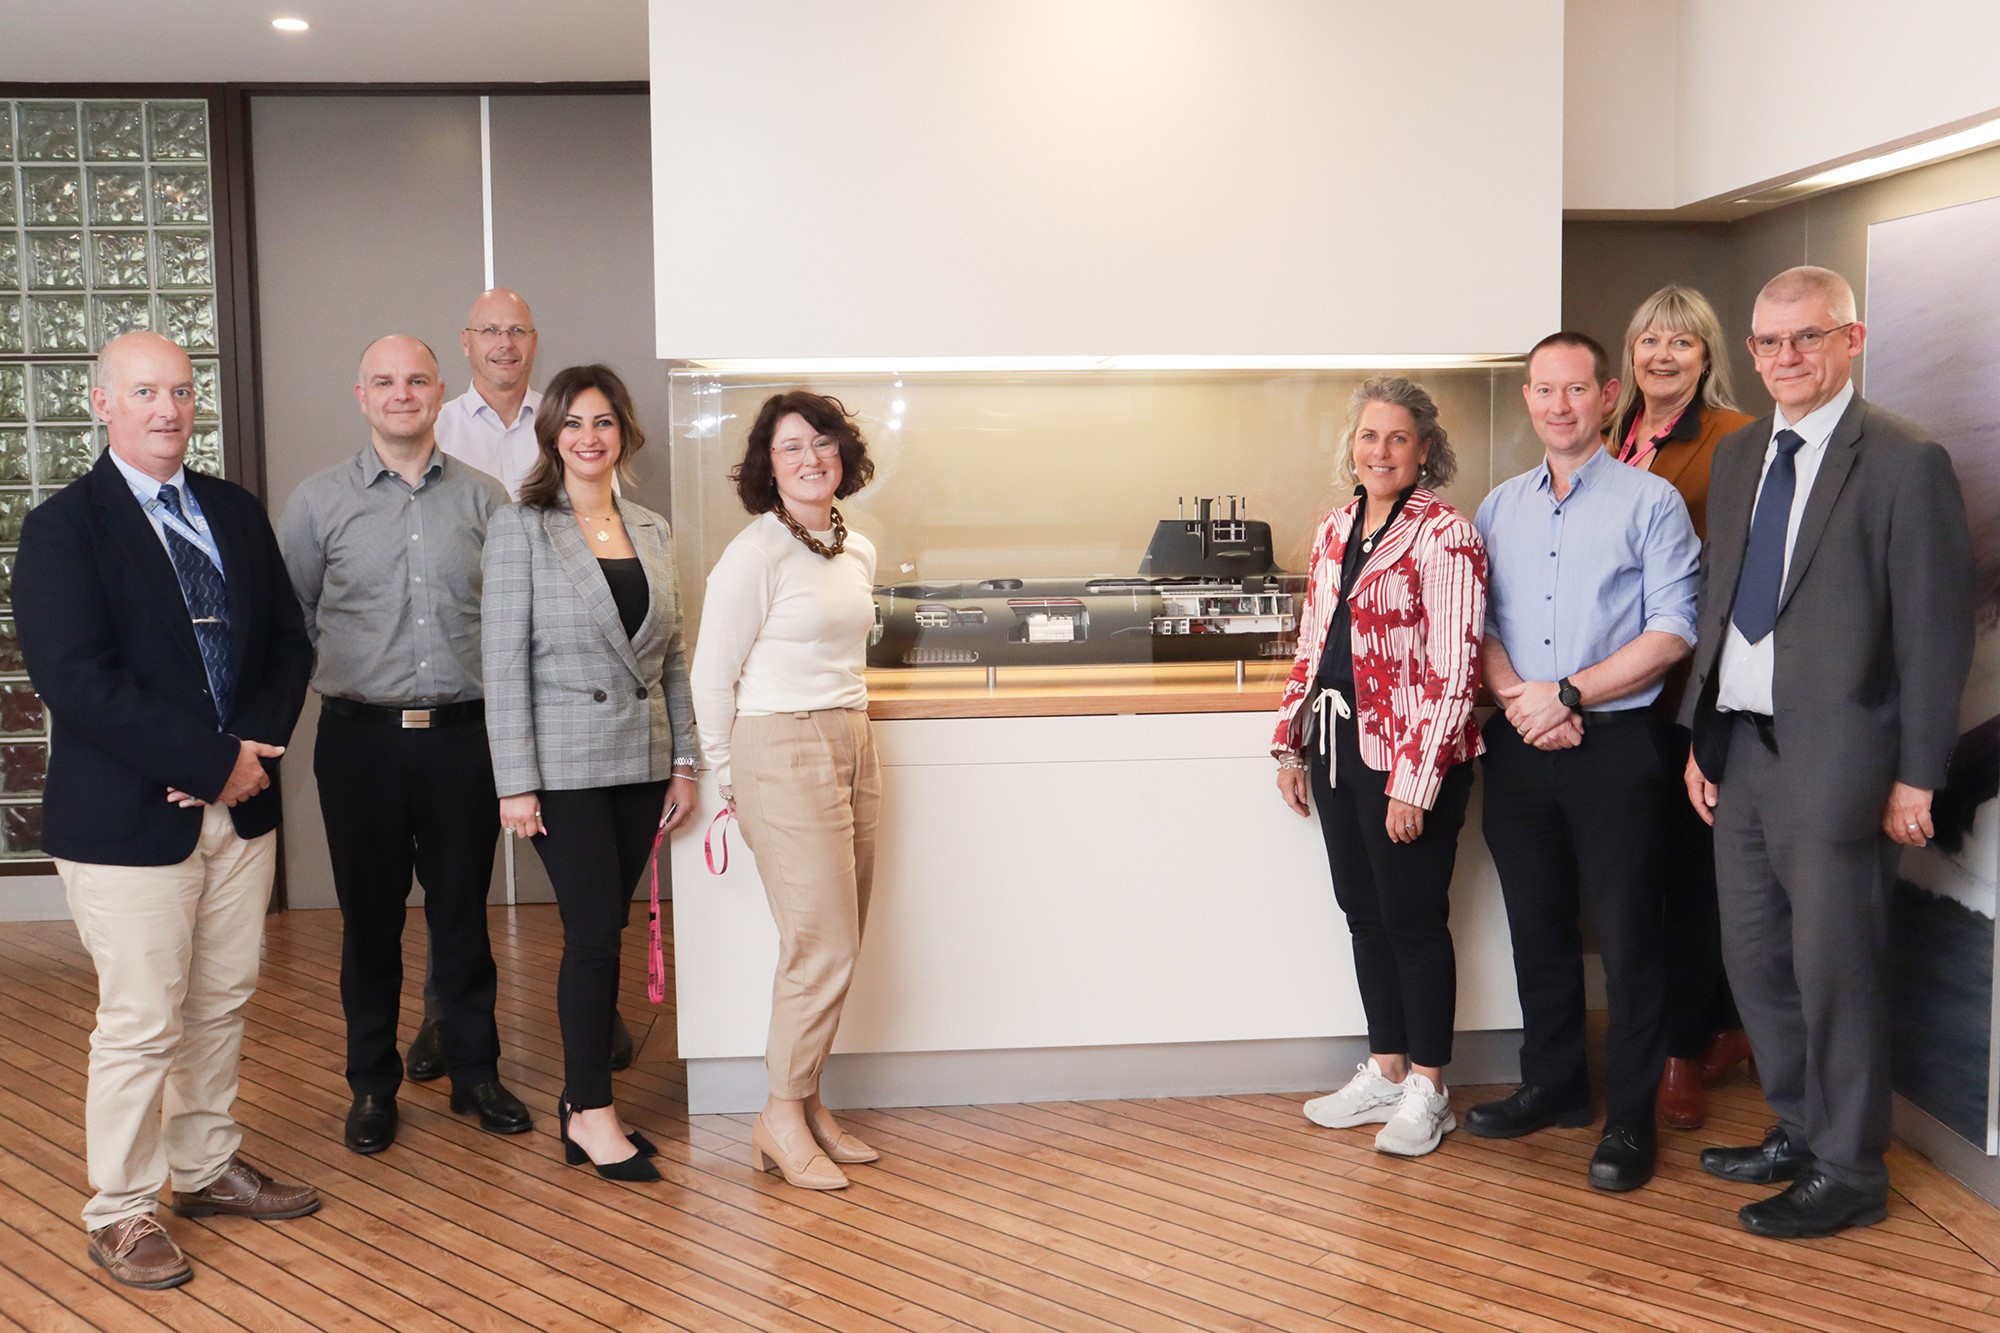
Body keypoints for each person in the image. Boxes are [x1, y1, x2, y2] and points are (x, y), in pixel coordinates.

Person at [13, 331, 318, 1289]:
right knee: (143, 1018)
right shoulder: (64, 528)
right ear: (103, 404)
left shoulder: (230, 508)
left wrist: (248, 754)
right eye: (145, 392)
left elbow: (287, 643)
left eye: (181, 392)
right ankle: (120, 1206)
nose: (167, 409)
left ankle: (204, 1166)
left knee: (220, 1002)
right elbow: (76, 681)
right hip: (126, 821)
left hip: (240, 807)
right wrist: (207, 759)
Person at [1684, 266, 1975, 1239]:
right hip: (1743, 755)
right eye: (1766, 341)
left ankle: (1849, 1170)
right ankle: (1801, 1129)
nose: (1783, 358)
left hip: (1840, 763)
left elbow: (1936, 635)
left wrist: (1918, 774)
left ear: (1849, 340)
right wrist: (1703, 732)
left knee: (1834, 973)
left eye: (1804, 338)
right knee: (1754, 963)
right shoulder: (1738, 459)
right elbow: (1721, 605)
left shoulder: (1901, 460)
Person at [278, 335, 530, 1156]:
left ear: (439, 390)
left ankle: (474, 1072)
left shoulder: (487, 500)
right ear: (361, 395)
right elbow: (294, 623)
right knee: (369, 924)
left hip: (464, 739)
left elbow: (513, 624)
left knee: (462, 917)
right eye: (384, 381)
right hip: (361, 744)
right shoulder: (318, 503)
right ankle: (372, 1086)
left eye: (416, 379)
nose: (401, 393)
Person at [1467, 332, 1700, 1193]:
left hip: (1617, 748)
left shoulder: (1651, 501)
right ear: (1528, 398)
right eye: (1542, 390)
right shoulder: (1498, 506)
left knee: (1633, 936)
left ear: (1606, 397)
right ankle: (1555, 1085)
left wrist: (1567, 694)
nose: (1558, 406)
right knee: (1537, 928)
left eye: (1575, 391)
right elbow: (1480, 624)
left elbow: (1674, 629)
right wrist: (1527, 701)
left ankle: (1630, 1120)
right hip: (1524, 743)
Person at [482, 364, 697, 1182]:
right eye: (573, 422)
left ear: (623, 433)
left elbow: (673, 655)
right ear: (552, 436)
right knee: (593, 932)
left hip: (641, 762)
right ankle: (590, 1107)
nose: (588, 437)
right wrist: (514, 781)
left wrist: (684, 759)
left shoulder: (652, 527)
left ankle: (586, 1103)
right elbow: (502, 664)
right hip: (563, 766)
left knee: (603, 927)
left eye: (603, 421)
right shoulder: (522, 527)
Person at [1271, 377, 1486, 1158]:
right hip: (1334, 746)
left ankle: (1430, 1086)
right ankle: (1388, 1068)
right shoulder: (1335, 529)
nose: (1381, 451)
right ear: (1352, 447)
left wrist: (1414, 780)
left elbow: (1455, 669)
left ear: (1425, 449)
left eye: (1398, 438)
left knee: (1413, 920)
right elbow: (1313, 642)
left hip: (1409, 755)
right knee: (1363, 911)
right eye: (1369, 436)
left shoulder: (1445, 535)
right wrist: (1290, 742)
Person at [690, 391, 881, 1191]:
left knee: (840, 940)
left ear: (843, 453)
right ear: (768, 467)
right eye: (791, 447)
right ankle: (777, 1113)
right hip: (779, 745)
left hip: (852, 738)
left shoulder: (854, 546)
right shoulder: (755, 552)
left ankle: (806, 1103)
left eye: (822, 441)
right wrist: (728, 774)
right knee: (821, 944)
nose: (811, 457)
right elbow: (710, 672)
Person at [1607, 285, 1757, 1131]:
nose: (1663, 356)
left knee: (1690, 882)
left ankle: (1685, 1050)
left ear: (1708, 357)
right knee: (1640, 877)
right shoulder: (1604, 436)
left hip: (1690, 692)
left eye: (1682, 343)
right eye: (1649, 340)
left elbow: (1738, 572)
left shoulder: (1734, 439)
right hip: (1614, 692)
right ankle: (1715, 1027)